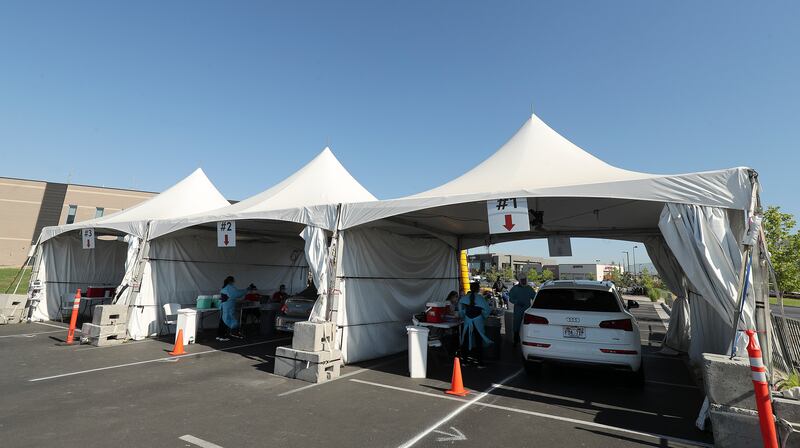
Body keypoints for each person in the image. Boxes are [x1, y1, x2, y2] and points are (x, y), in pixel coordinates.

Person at [458, 281, 493, 367]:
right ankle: (480, 362)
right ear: (478, 289)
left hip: (467, 320)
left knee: (466, 340)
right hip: (478, 321)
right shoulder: (481, 298)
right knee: (478, 341)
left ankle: (464, 361)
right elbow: (487, 310)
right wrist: (482, 316)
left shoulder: (464, 298)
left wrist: (464, 315)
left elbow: (460, 310)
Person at [217, 276, 254, 341]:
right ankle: (223, 336)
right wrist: (246, 290)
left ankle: (220, 335)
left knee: (222, 320)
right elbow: (237, 294)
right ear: (231, 281)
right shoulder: (230, 287)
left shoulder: (224, 287)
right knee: (226, 321)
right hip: (228, 306)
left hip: (223, 306)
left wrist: (245, 290)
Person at [509, 276, 536, 347]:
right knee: (516, 325)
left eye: (525, 280)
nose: (524, 281)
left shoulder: (529, 288)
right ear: (520, 280)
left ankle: (525, 340)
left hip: (527, 310)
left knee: (526, 325)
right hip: (518, 310)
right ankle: (516, 340)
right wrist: (517, 302)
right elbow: (510, 298)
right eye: (522, 280)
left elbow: (535, 297)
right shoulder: (515, 288)